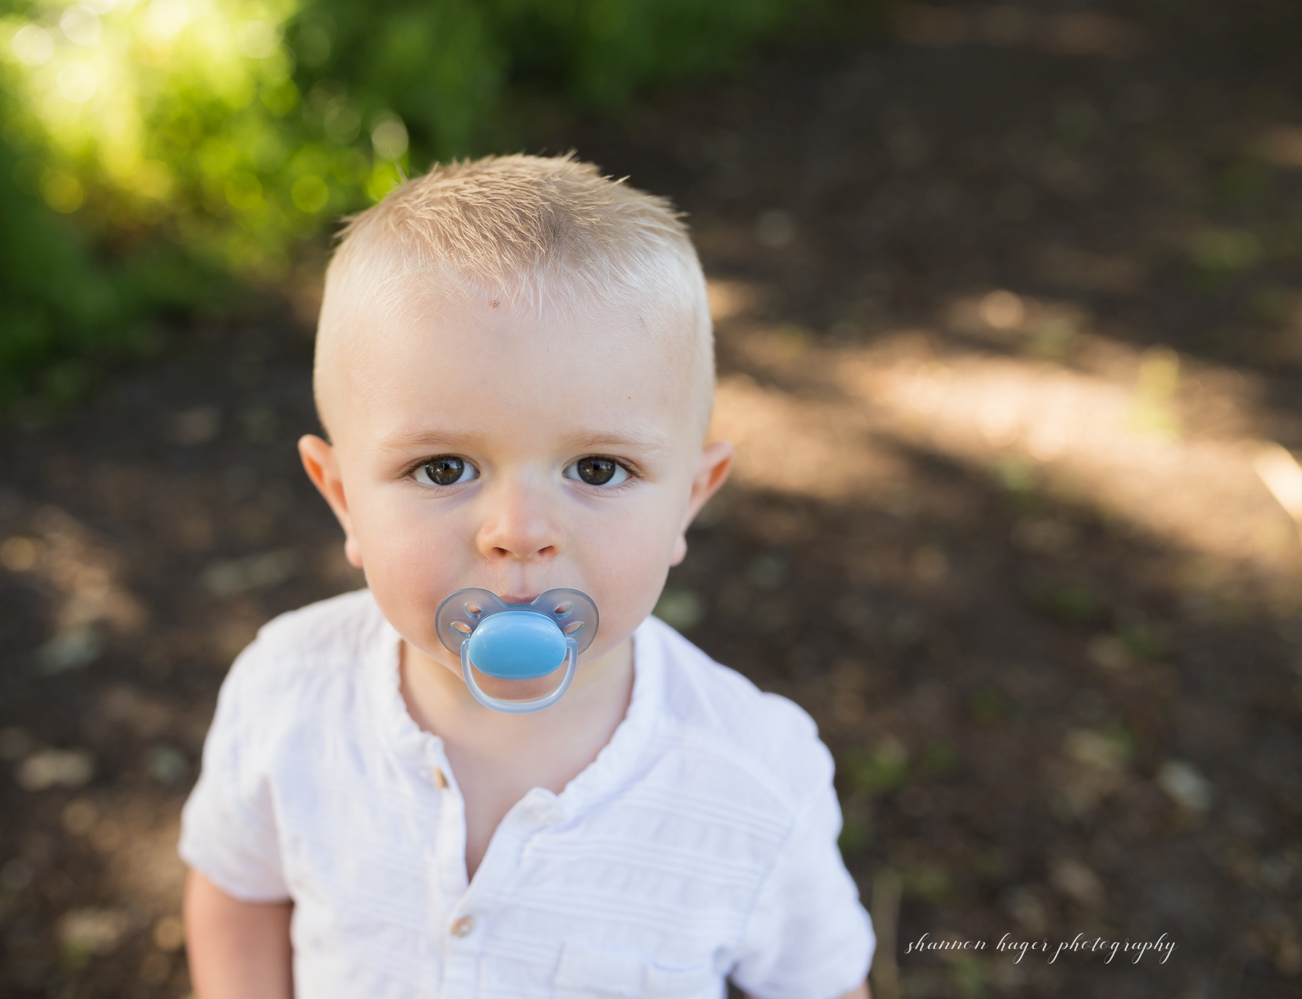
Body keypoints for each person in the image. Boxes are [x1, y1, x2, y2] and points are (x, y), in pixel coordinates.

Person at [178, 154, 875, 999]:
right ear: (343, 498)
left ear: (689, 499)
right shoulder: (286, 694)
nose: (519, 533)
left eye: (597, 469)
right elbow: (238, 889)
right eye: (442, 469)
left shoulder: (754, 781)